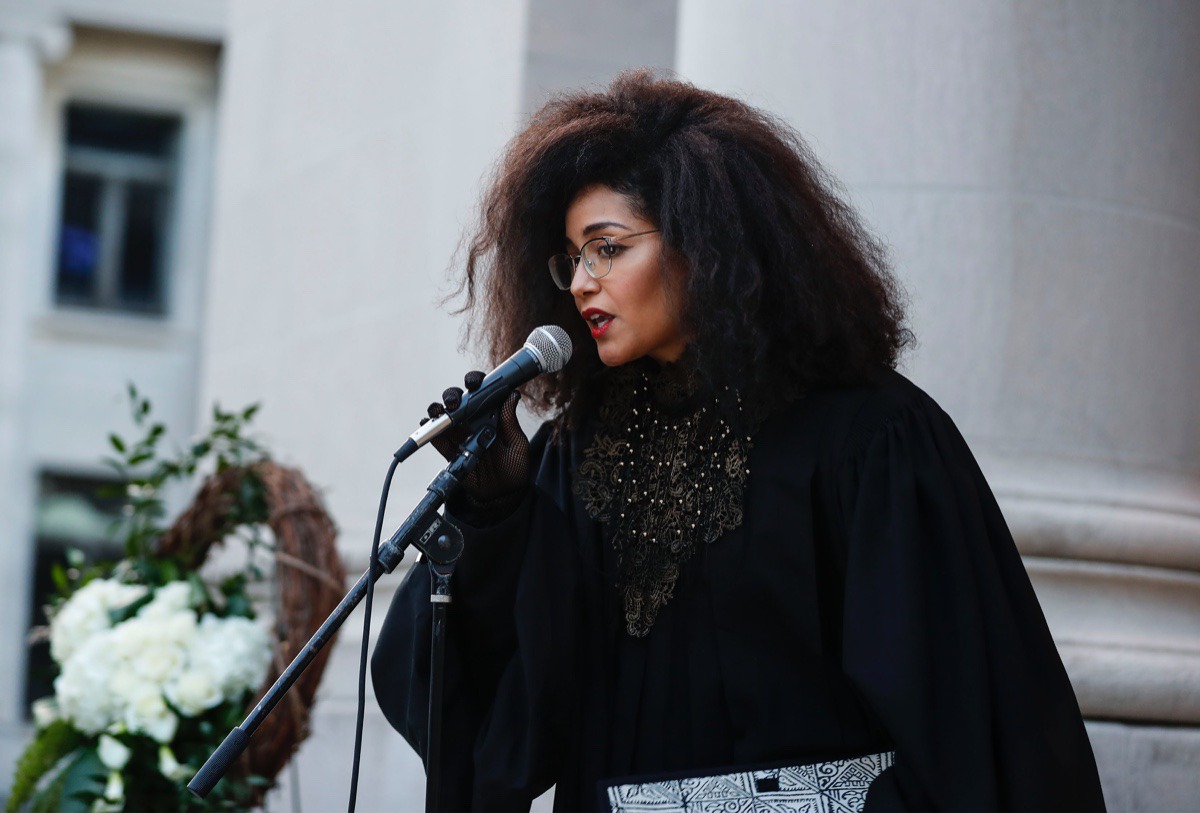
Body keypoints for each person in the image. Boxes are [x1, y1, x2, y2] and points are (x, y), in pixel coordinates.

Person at [372, 70, 1106, 812]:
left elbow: (961, 725)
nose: (583, 283)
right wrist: (491, 514)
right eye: (572, 259)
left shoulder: (868, 437)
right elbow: (499, 728)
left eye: (609, 248)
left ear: (702, 239)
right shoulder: (575, 456)